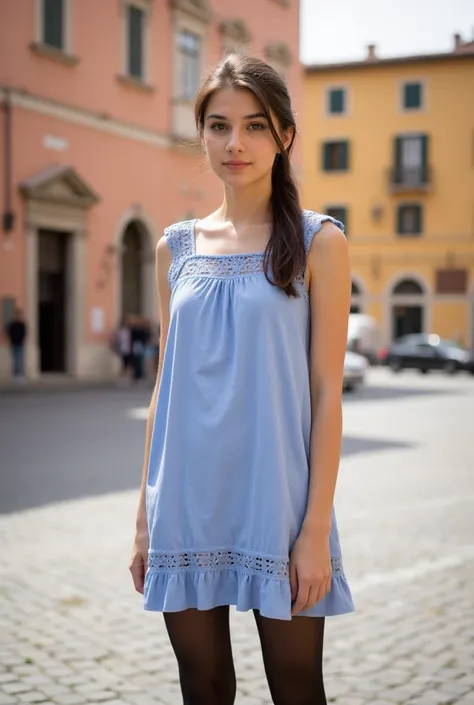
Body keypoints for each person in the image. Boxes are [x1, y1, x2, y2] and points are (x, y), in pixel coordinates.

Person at [129, 52, 354, 705]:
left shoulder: (319, 243)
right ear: (201, 133)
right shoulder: (176, 247)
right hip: (186, 503)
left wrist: (314, 530)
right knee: (202, 686)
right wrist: (145, 516)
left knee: (296, 686)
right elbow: (164, 386)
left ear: (284, 135)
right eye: (219, 125)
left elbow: (326, 391)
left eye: (256, 126)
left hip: (276, 504)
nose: (236, 143)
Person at [6, 308, 27, 381]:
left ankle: (21, 375)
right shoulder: (12, 324)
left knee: (20, 360)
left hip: (20, 344)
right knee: (15, 360)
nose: (19, 316)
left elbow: (24, 333)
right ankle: (15, 376)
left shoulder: (22, 324)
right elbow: (9, 332)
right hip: (14, 344)